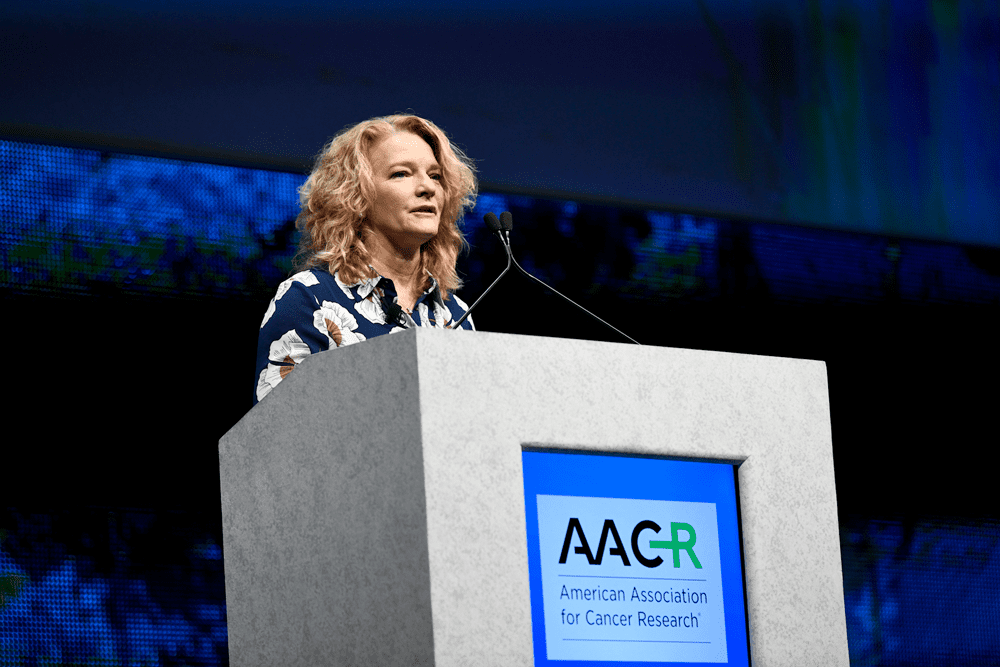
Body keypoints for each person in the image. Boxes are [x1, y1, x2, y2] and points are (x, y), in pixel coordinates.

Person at [254, 114, 478, 405]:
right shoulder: (310, 298)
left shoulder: (454, 315)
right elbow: (276, 431)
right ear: (355, 196)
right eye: (401, 173)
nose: (428, 187)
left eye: (435, 176)